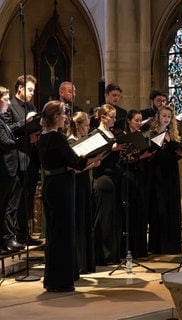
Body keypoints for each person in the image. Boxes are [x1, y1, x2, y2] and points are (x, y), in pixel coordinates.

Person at [38, 100, 90, 292]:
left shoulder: (42, 136)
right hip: (62, 187)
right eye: (63, 114)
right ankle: (61, 281)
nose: (66, 117)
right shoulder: (57, 138)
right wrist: (87, 156)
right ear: (56, 117)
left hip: (51, 185)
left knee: (54, 233)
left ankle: (51, 279)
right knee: (63, 233)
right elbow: (75, 162)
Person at [3, 74, 41, 246]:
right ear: (20, 88)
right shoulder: (9, 106)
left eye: (33, 90)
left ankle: (24, 233)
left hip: (31, 158)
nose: (32, 93)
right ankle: (12, 236)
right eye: (29, 89)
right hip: (16, 158)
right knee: (15, 199)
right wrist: (24, 123)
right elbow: (6, 130)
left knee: (28, 197)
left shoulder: (31, 106)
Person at [92, 104, 126, 265]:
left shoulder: (111, 133)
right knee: (103, 219)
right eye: (111, 117)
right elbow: (94, 155)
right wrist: (112, 149)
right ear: (103, 117)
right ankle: (102, 256)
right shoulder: (96, 133)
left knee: (114, 218)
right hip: (103, 179)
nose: (114, 120)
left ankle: (113, 254)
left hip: (115, 179)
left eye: (114, 117)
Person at [148, 104, 182, 254]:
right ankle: (158, 246)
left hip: (171, 175)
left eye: (169, 117)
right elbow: (151, 155)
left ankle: (172, 245)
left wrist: (180, 154)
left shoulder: (173, 134)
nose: (166, 119)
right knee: (159, 208)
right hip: (157, 174)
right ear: (158, 117)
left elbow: (176, 154)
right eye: (163, 116)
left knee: (171, 208)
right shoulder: (152, 134)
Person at [66, 111, 97, 274]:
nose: (88, 128)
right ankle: (79, 263)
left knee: (85, 219)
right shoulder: (71, 142)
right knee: (78, 221)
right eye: (86, 125)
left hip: (85, 183)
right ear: (77, 125)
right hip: (76, 184)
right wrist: (93, 163)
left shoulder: (82, 141)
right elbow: (73, 170)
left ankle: (87, 262)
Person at [120, 110, 153, 258]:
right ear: (129, 121)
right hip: (129, 176)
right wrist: (141, 156)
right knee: (131, 213)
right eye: (136, 120)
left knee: (141, 212)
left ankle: (141, 248)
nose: (139, 123)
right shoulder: (124, 137)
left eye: (141, 121)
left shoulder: (143, 135)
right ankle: (130, 248)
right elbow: (124, 159)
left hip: (142, 175)